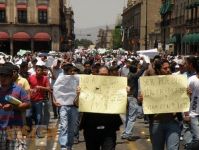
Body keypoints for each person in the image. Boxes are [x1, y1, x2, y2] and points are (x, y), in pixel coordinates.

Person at [139, 59, 182, 150]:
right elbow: (140, 102)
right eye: (165, 68)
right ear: (158, 70)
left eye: (169, 67)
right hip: (156, 122)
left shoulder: (176, 81)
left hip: (172, 121)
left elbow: (182, 99)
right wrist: (141, 99)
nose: (168, 70)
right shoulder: (150, 83)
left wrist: (187, 93)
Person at [80, 66, 123, 150]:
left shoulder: (115, 86)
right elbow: (77, 104)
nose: (104, 76)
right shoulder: (88, 85)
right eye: (101, 74)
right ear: (96, 74)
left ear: (109, 75)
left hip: (109, 127)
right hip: (91, 126)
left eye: (106, 74)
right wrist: (79, 94)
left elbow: (124, 106)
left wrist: (124, 95)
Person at [0, 66, 30, 150]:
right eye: (1, 76)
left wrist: (13, 107)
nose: (2, 78)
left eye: (5, 76)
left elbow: (28, 104)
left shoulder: (18, 89)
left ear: (10, 77)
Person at [53, 64, 79, 150]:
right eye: (70, 71)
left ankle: (69, 145)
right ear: (66, 71)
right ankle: (64, 147)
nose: (72, 72)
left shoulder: (76, 79)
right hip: (63, 106)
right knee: (64, 126)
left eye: (73, 71)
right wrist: (55, 100)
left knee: (71, 127)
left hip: (74, 106)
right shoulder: (60, 78)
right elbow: (55, 89)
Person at [185, 57, 199, 150]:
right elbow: (185, 97)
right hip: (194, 113)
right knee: (198, 139)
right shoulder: (192, 80)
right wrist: (186, 113)